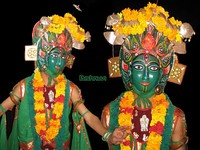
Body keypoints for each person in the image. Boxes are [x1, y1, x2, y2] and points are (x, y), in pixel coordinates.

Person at [0, 13, 127, 150]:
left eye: (63, 56)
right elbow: (1, 109)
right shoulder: (25, 86)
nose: (59, 61)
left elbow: (89, 117)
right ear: (43, 54)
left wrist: (108, 135)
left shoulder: (70, 89)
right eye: (55, 55)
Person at [101, 2, 195, 150]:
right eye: (138, 67)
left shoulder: (175, 118)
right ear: (128, 70)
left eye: (152, 68)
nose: (145, 75)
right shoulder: (110, 112)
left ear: (163, 72)